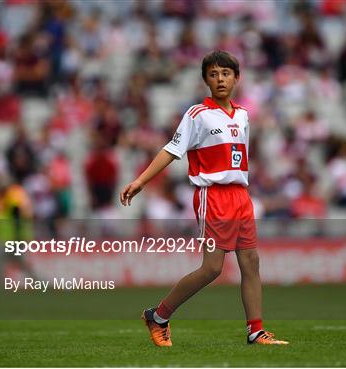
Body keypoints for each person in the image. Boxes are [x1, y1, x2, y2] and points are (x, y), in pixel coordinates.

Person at [120, 50, 288, 346]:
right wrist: (141, 180)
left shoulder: (244, 115)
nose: (220, 79)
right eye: (213, 74)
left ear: (237, 78)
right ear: (205, 80)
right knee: (212, 268)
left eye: (225, 73)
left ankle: (256, 330)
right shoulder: (197, 115)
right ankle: (158, 316)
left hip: (240, 196)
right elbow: (171, 150)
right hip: (214, 196)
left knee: (251, 262)